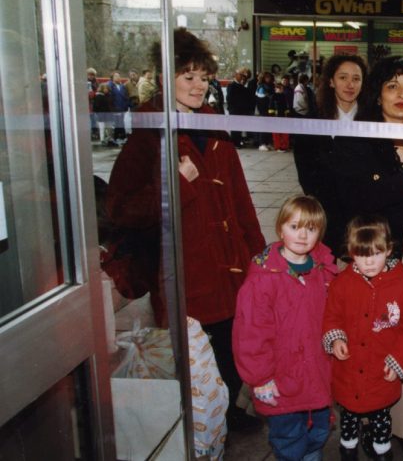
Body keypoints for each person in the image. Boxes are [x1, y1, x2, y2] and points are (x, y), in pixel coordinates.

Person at [106, 28, 265, 432]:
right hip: (181, 267)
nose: (199, 85)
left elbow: (239, 193)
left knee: (231, 345)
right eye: (188, 76)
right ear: (165, 77)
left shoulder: (212, 122)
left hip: (227, 260)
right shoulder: (149, 134)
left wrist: (257, 251)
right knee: (191, 352)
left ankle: (226, 411)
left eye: (204, 76)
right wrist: (177, 186)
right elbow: (120, 210)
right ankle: (193, 421)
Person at [329, 56, 403, 457]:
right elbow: (352, 197)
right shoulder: (355, 136)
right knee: (364, 337)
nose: (402, 95)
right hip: (370, 257)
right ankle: (359, 421)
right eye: (393, 86)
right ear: (377, 93)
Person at [233, 195, 339, 461]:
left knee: (318, 433)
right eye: (294, 227)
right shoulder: (263, 280)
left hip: (316, 373)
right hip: (281, 381)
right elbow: (250, 335)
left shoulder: (323, 271)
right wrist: (260, 378)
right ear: (281, 229)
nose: (302, 235)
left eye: (311, 229)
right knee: (289, 438)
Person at [322, 216, 403, 461]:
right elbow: (331, 316)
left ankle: (382, 452)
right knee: (348, 417)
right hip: (348, 370)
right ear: (350, 253)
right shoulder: (342, 284)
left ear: (389, 250)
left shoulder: (401, 285)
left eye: (376, 253)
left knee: (382, 417)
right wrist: (336, 338)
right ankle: (347, 449)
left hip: (382, 369)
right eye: (361, 255)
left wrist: (399, 359)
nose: (369, 262)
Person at [293, 53, 367, 254]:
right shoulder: (313, 119)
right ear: (331, 81)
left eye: (356, 78)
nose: (350, 84)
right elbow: (305, 167)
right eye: (343, 77)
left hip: (363, 213)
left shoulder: (373, 121)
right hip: (325, 212)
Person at [226, 68, 254, 147]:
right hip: (235, 110)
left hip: (242, 110)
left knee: (240, 127)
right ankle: (235, 142)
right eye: (241, 76)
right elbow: (230, 99)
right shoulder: (232, 85)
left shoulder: (244, 87)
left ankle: (238, 141)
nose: (243, 78)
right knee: (235, 128)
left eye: (245, 77)